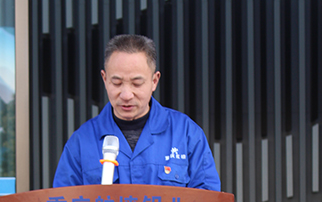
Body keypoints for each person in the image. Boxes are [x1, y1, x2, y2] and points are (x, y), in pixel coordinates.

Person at [52, 35, 220, 191]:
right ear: (105, 79)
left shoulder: (185, 134)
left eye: (137, 83)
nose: (126, 95)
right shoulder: (82, 142)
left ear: (154, 81)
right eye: (117, 83)